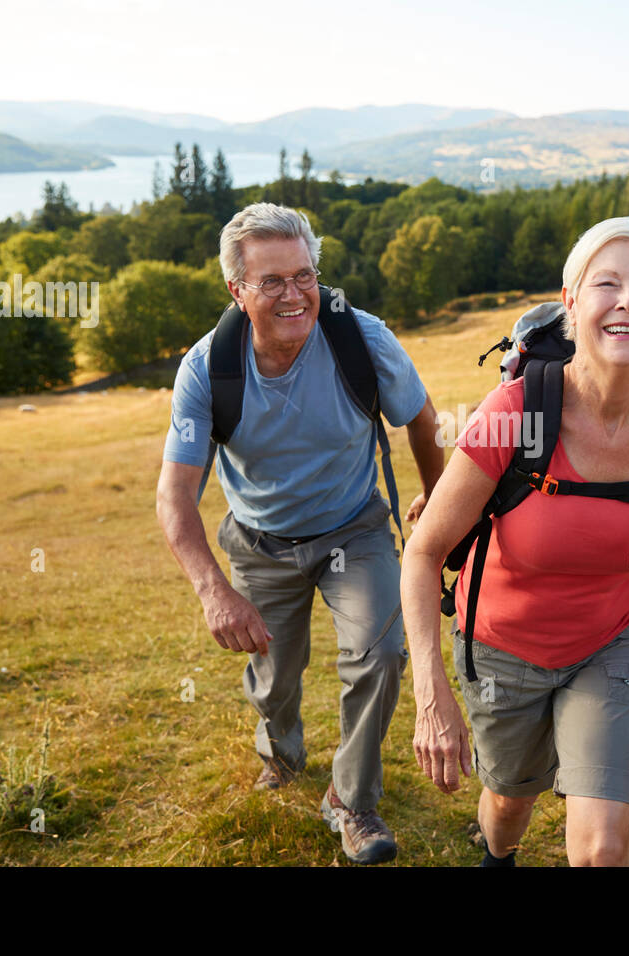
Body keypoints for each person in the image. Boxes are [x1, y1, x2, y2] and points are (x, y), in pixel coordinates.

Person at [400, 216, 629, 867]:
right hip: (501, 644)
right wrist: (429, 694)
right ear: (572, 303)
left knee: (605, 847)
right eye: (607, 284)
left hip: (610, 643)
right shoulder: (516, 415)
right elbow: (423, 551)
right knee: (508, 807)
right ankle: (499, 854)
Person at [156, 203, 444, 865]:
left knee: (379, 655)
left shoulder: (360, 338)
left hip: (355, 530)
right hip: (260, 543)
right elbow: (174, 496)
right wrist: (213, 592)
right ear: (237, 291)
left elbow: (423, 421)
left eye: (304, 276)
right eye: (272, 282)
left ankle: (352, 802)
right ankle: (281, 752)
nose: (295, 294)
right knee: (275, 679)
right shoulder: (208, 368)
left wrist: (436, 500)